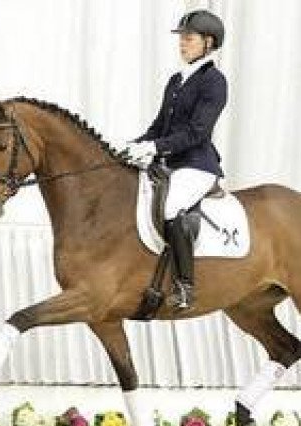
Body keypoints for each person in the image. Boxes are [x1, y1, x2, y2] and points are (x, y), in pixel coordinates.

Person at [127, 9, 228, 309]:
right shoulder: (175, 80)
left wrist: (156, 148)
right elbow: (159, 127)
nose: (182, 44)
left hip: (197, 164)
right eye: (181, 38)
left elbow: (198, 132)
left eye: (189, 38)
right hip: (169, 161)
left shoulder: (214, 82)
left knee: (171, 207)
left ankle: (185, 286)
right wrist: (133, 146)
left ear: (208, 43)